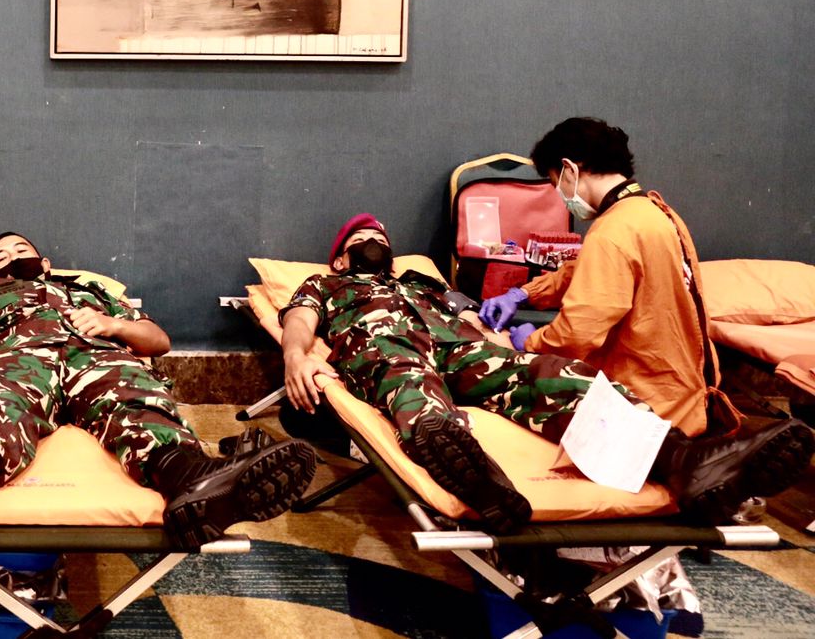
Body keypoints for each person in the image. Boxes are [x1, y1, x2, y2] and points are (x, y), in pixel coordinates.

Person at [283, 214, 814, 532]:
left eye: (380, 237)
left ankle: (684, 460)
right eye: (362, 238)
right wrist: (297, 358)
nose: (374, 241)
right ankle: (472, 472)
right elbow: (300, 322)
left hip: (464, 349)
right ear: (340, 259)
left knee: (557, 374)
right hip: (385, 345)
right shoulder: (326, 285)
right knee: (407, 381)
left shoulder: (424, 283)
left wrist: (504, 342)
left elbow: (474, 317)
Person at [0, 231, 318, 550]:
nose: (12, 258)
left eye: (19, 249)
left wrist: (112, 325)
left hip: (97, 355)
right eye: (0, 257)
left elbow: (158, 341)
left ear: (45, 262)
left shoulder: (93, 291)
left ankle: (193, 480)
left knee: (135, 400)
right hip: (21, 356)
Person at [479, 118, 726, 437]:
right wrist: (524, 293)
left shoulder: (612, 231)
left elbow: (575, 335)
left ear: (569, 170)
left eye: (555, 183)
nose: (561, 195)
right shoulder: (652, 212)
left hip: (644, 405)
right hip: (686, 393)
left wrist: (529, 342)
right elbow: (584, 270)